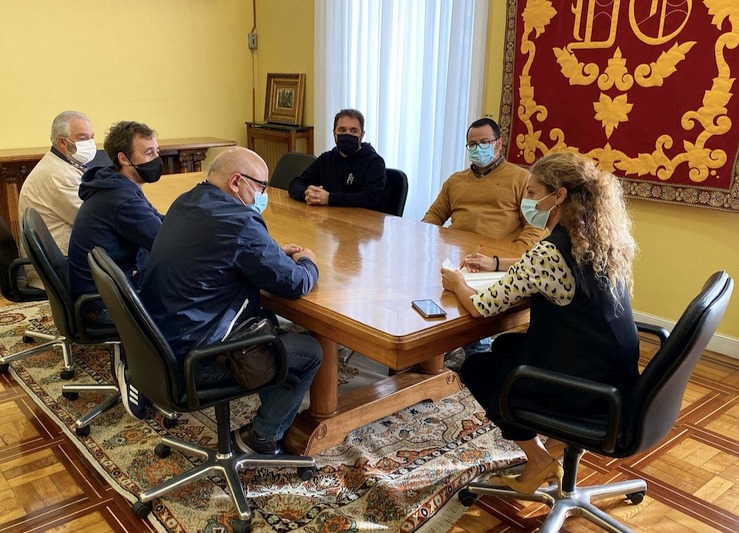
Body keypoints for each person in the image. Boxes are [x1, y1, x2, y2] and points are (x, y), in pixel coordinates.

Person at [441, 151, 639, 494]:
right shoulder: (597, 241)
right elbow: (540, 269)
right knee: (505, 346)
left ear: (558, 196)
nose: (526, 201)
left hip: (581, 388)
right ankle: (552, 446)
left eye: (532, 193)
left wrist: (456, 282)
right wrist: (499, 262)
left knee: (477, 367)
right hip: (614, 377)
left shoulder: (550, 251)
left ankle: (538, 458)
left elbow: (480, 307)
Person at [140, 147, 322, 455]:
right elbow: (293, 283)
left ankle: (267, 395)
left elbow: (222, 248)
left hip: (159, 343)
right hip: (196, 358)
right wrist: (308, 262)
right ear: (236, 181)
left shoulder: (187, 201)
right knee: (310, 350)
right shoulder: (239, 222)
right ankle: (262, 436)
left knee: (267, 316)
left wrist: (268, 250)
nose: (261, 196)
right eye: (260, 188)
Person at [425, 117, 547, 356]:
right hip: (457, 258)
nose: (477, 148)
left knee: (468, 298)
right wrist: (427, 244)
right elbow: (432, 217)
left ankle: (477, 349)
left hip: (495, 263)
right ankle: (431, 347)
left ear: (498, 144)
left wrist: (505, 258)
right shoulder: (455, 181)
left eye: (484, 142)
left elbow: (535, 228)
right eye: (472, 144)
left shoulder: (521, 179)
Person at [68, 120, 164, 323]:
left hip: (108, 290)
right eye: (149, 153)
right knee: (190, 297)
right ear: (124, 158)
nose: (157, 158)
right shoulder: (121, 198)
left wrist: (188, 221)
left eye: (157, 151)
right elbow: (164, 243)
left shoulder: (117, 184)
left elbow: (156, 219)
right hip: (104, 304)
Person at [18, 111, 96, 289]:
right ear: (62, 142)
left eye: (91, 137)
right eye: (83, 138)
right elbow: (91, 219)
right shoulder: (57, 175)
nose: (90, 144)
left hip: (61, 257)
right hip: (59, 266)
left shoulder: (64, 164)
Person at [288, 108, 386, 209]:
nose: (347, 134)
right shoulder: (326, 159)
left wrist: (329, 198)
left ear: (362, 135)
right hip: (327, 219)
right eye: (342, 130)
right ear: (334, 133)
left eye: (353, 131)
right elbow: (295, 183)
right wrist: (309, 195)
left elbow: (371, 198)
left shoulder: (374, 162)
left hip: (360, 221)